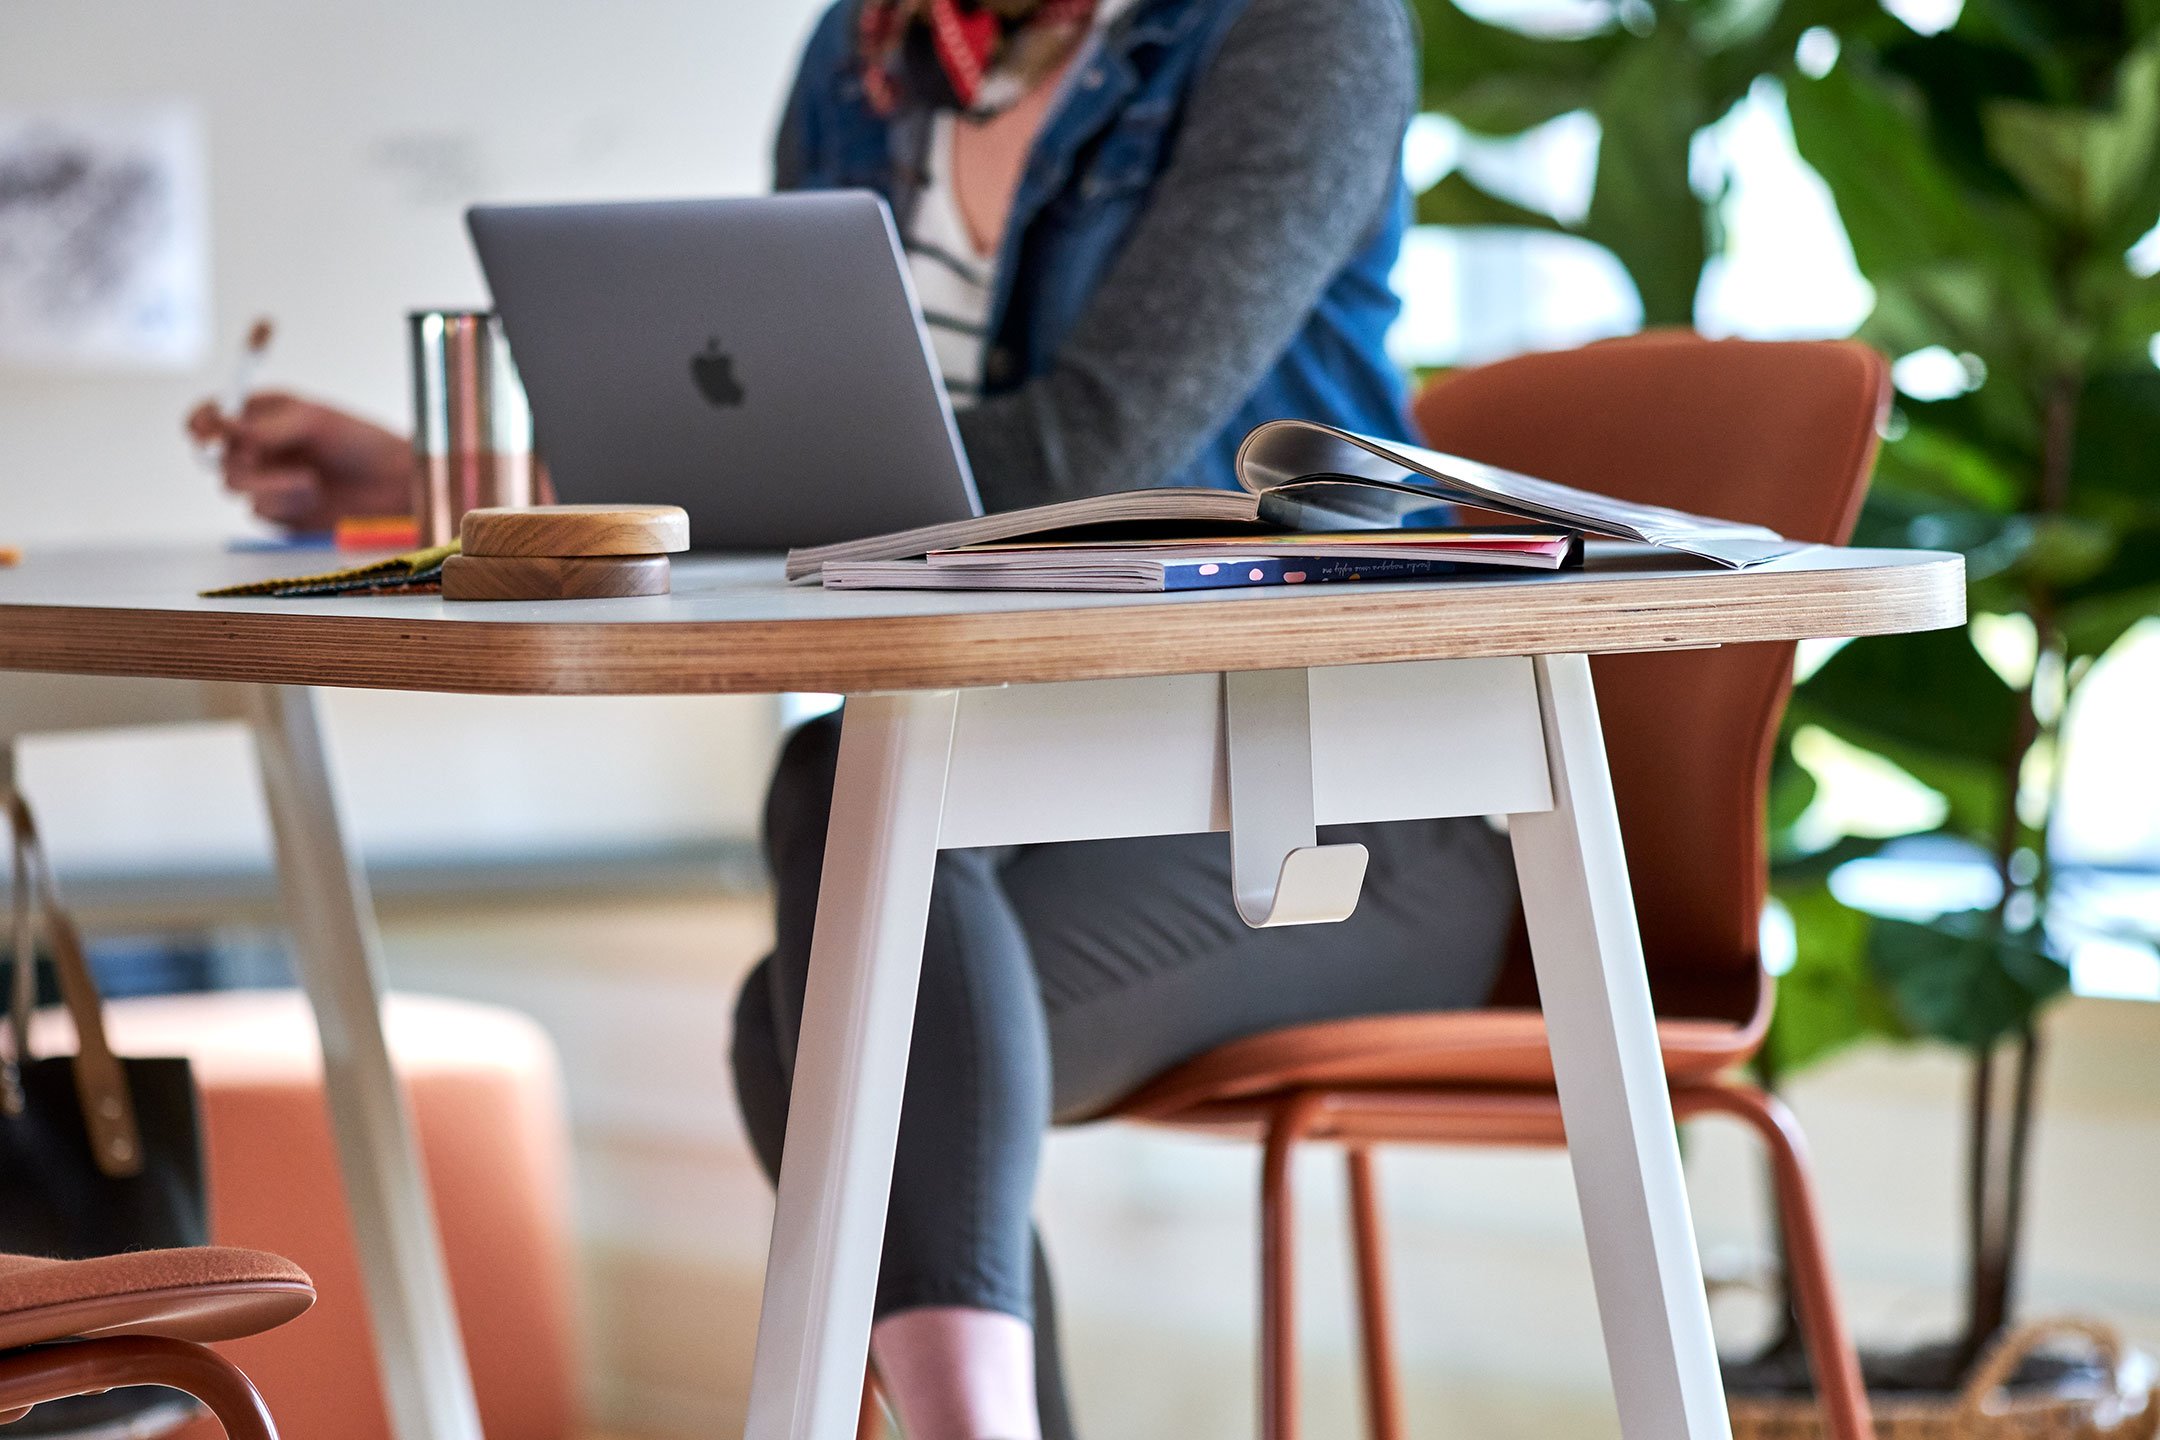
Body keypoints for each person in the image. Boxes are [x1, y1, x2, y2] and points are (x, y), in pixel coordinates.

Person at [194, 3, 1520, 1436]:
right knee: (849, 878)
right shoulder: (867, 53)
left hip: (1360, 802)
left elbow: (1092, 456)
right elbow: (752, 443)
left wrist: (745, 488)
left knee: (822, 995)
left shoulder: (1297, 27)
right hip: (1031, 777)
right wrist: (437, 478)